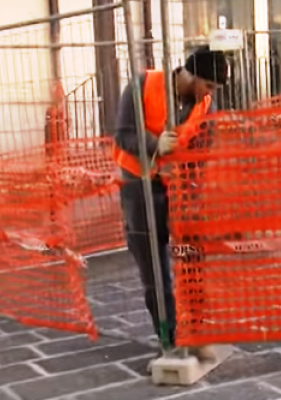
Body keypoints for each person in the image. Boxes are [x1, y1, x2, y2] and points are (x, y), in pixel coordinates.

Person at [112, 46, 227, 363]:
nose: (209, 93)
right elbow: (123, 134)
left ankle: (197, 332)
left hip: (181, 189)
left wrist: (192, 184)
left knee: (193, 262)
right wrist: (154, 145)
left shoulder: (205, 105)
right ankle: (170, 338)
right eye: (208, 85)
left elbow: (204, 150)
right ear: (189, 75)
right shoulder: (141, 85)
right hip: (140, 187)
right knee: (155, 271)